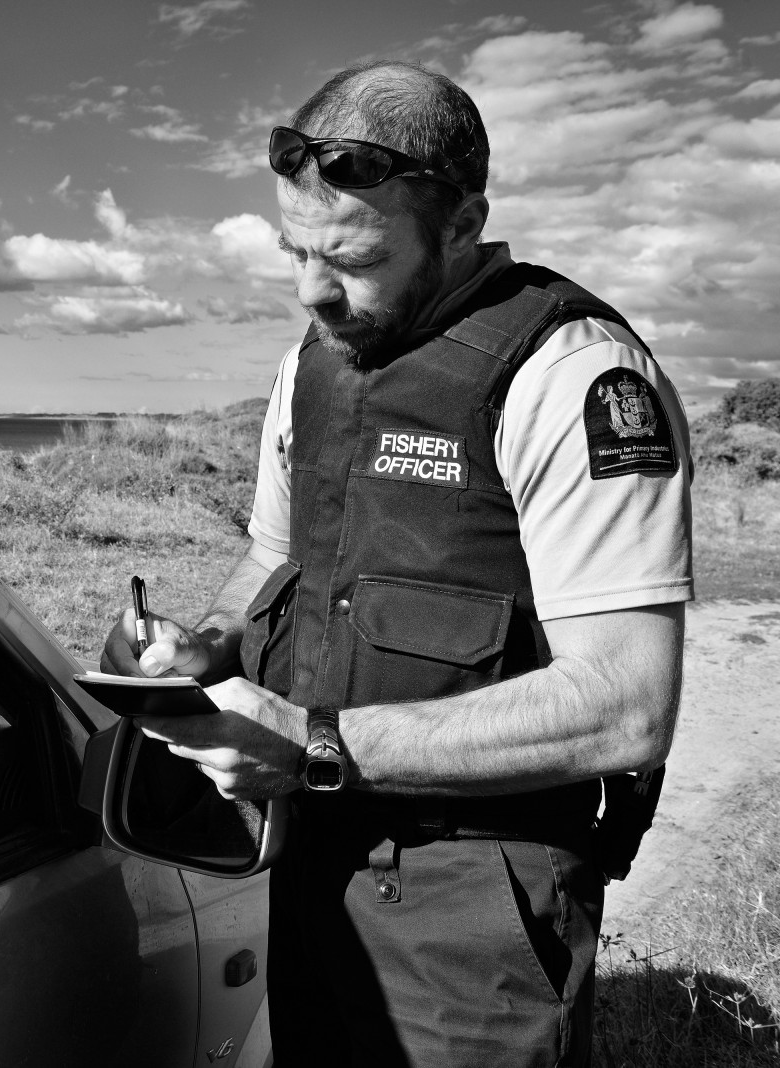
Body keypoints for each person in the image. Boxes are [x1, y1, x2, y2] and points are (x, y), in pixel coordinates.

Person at [102, 61, 689, 1067]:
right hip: (310, 865)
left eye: (353, 258)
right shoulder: (311, 363)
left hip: (479, 906)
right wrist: (203, 650)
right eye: (295, 252)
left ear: (463, 225)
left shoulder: (573, 373)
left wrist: (312, 743)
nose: (312, 292)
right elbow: (272, 558)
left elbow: (627, 703)